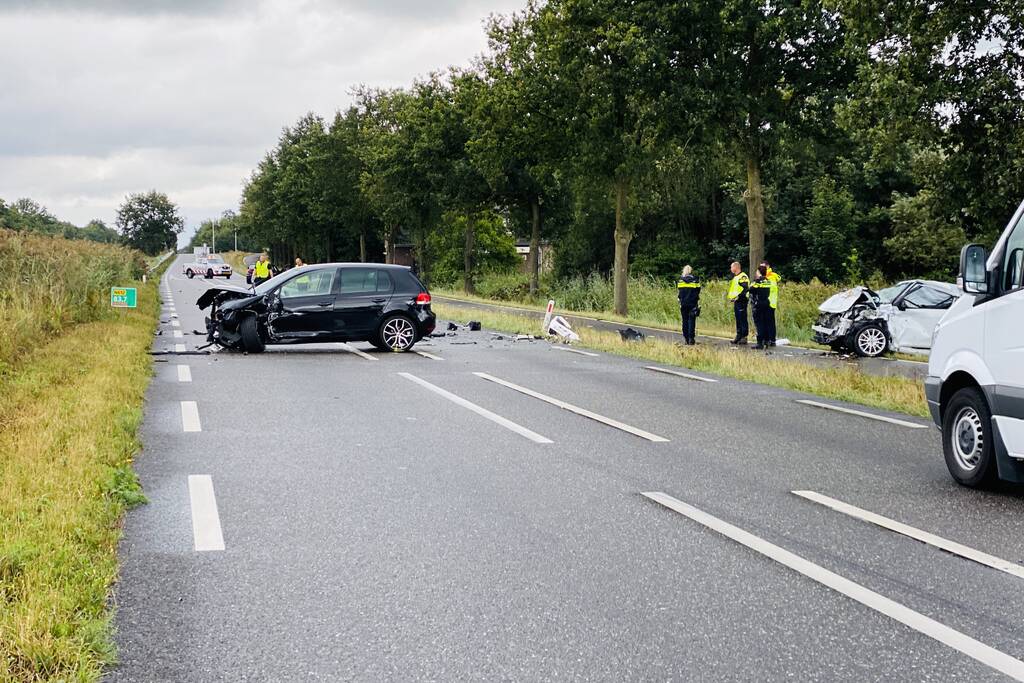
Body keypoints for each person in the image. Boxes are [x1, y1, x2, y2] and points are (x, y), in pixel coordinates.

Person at [749, 264, 772, 350]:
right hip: (766, 302)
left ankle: (760, 343)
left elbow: (751, 290)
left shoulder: (757, 282)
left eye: (756, 271)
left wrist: (753, 284)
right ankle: (766, 340)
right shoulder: (768, 281)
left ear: (759, 272)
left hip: (758, 304)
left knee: (759, 323)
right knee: (765, 322)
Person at [677, 265, 701, 345]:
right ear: (691, 271)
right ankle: (691, 338)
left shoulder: (681, 281)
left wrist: (680, 300)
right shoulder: (695, 280)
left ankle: (686, 339)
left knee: (685, 321)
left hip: (683, 303)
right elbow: (698, 291)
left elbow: (680, 292)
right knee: (691, 320)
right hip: (693, 303)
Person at [727, 261, 749, 345]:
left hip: (742, 300)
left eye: (731, 267)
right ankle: (738, 336)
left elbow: (745, 288)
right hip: (737, 301)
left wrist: (738, 297)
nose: (731, 269)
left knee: (742, 318)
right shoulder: (736, 277)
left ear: (736, 267)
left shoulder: (742, 276)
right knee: (738, 319)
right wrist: (733, 298)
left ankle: (744, 337)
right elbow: (736, 289)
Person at [760, 261, 780, 346]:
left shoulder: (771, 276)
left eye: (763, 267)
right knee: (764, 321)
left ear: (768, 266)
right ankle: (766, 339)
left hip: (770, 303)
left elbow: (770, 287)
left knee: (770, 322)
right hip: (764, 302)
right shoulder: (764, 276)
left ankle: (772, 339)